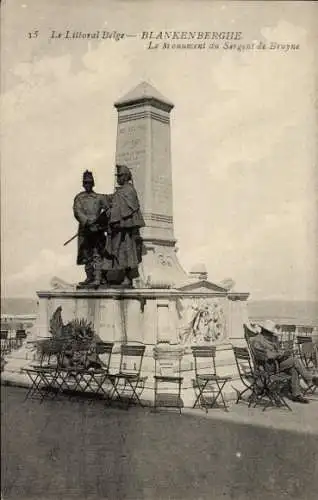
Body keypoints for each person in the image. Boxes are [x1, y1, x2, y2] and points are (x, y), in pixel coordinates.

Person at [250, 319, 318, 404]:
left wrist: (284, 353)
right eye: (270, 332)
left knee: (293, 368)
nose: (271, 334)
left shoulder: (270, 339)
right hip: (268, 366)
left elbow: (276, 351)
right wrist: (280, 354)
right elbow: (267, 355)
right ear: (264, 331)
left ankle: (296, 395)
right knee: (295, 361)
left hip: (275, 363)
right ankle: (310, 379)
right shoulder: (256, 340)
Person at [103, 164, 145, 287]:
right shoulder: (119, 191)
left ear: (125, 177)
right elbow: (113, 203)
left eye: (120, 176)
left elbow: (129, 208)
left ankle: (128, 277)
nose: (117, 178)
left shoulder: (129, 191)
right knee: (116, 250)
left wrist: (118, 219)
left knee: (127, 250)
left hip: (125, 228)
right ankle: (118, 275)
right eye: (117, 176)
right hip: (117, 227)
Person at [73, 170, 111, 288]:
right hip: (85, 229)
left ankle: (98, 278)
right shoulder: (79, 198)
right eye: (85, 182)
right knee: (86, 254)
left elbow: (108, 210)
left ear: (93, 183)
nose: (87, 185)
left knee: (97, 253)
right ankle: (89, 277)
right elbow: (77, 211)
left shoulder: (99, 197)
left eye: (89, 182)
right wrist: (88, 221)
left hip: (97, 230)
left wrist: (101, 221)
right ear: (83, 184)